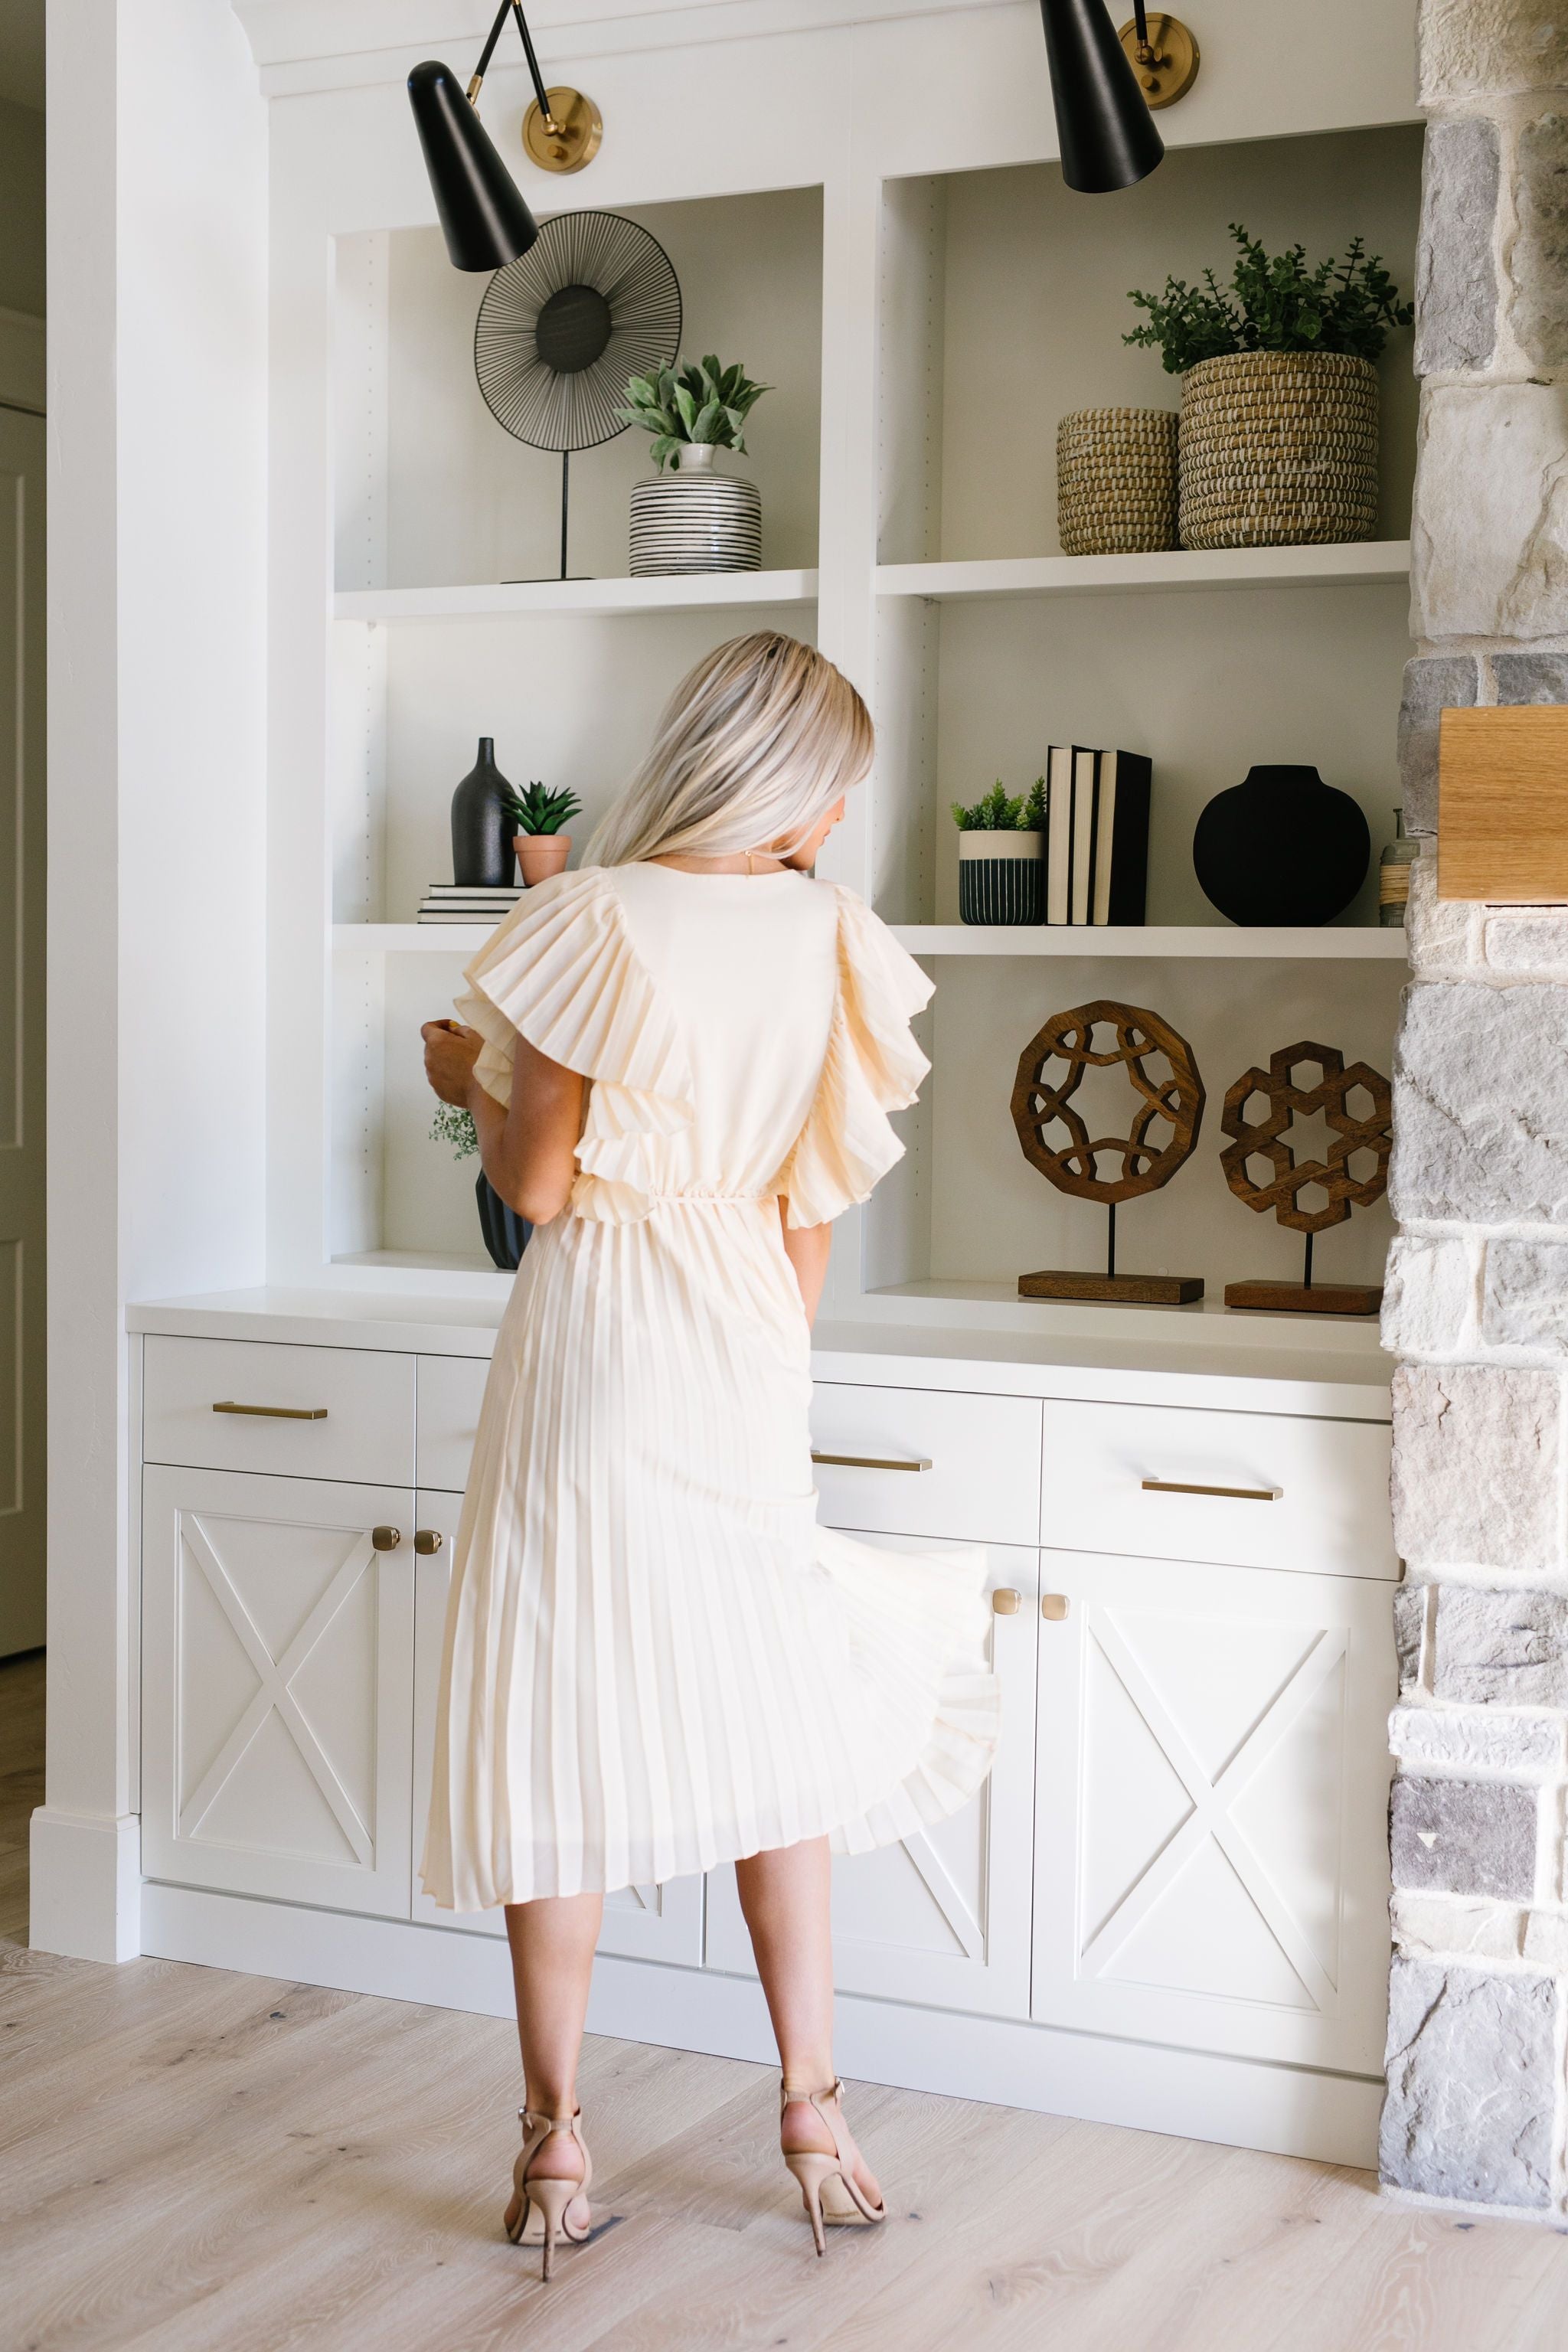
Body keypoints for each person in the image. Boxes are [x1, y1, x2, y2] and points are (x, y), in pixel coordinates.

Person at [420, 629, 998, 2275]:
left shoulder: (586, 914)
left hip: (599, 1330)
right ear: (783, 783)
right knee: (772, 1726)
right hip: (747, 1340)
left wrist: (477, 1077)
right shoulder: (831, 937)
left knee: (559, 1724)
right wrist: (763, 1361)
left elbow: (535, 1191)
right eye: (834, 790)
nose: (835, 824)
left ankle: (552, 2146)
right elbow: (810, 1209)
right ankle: (814, 2115)